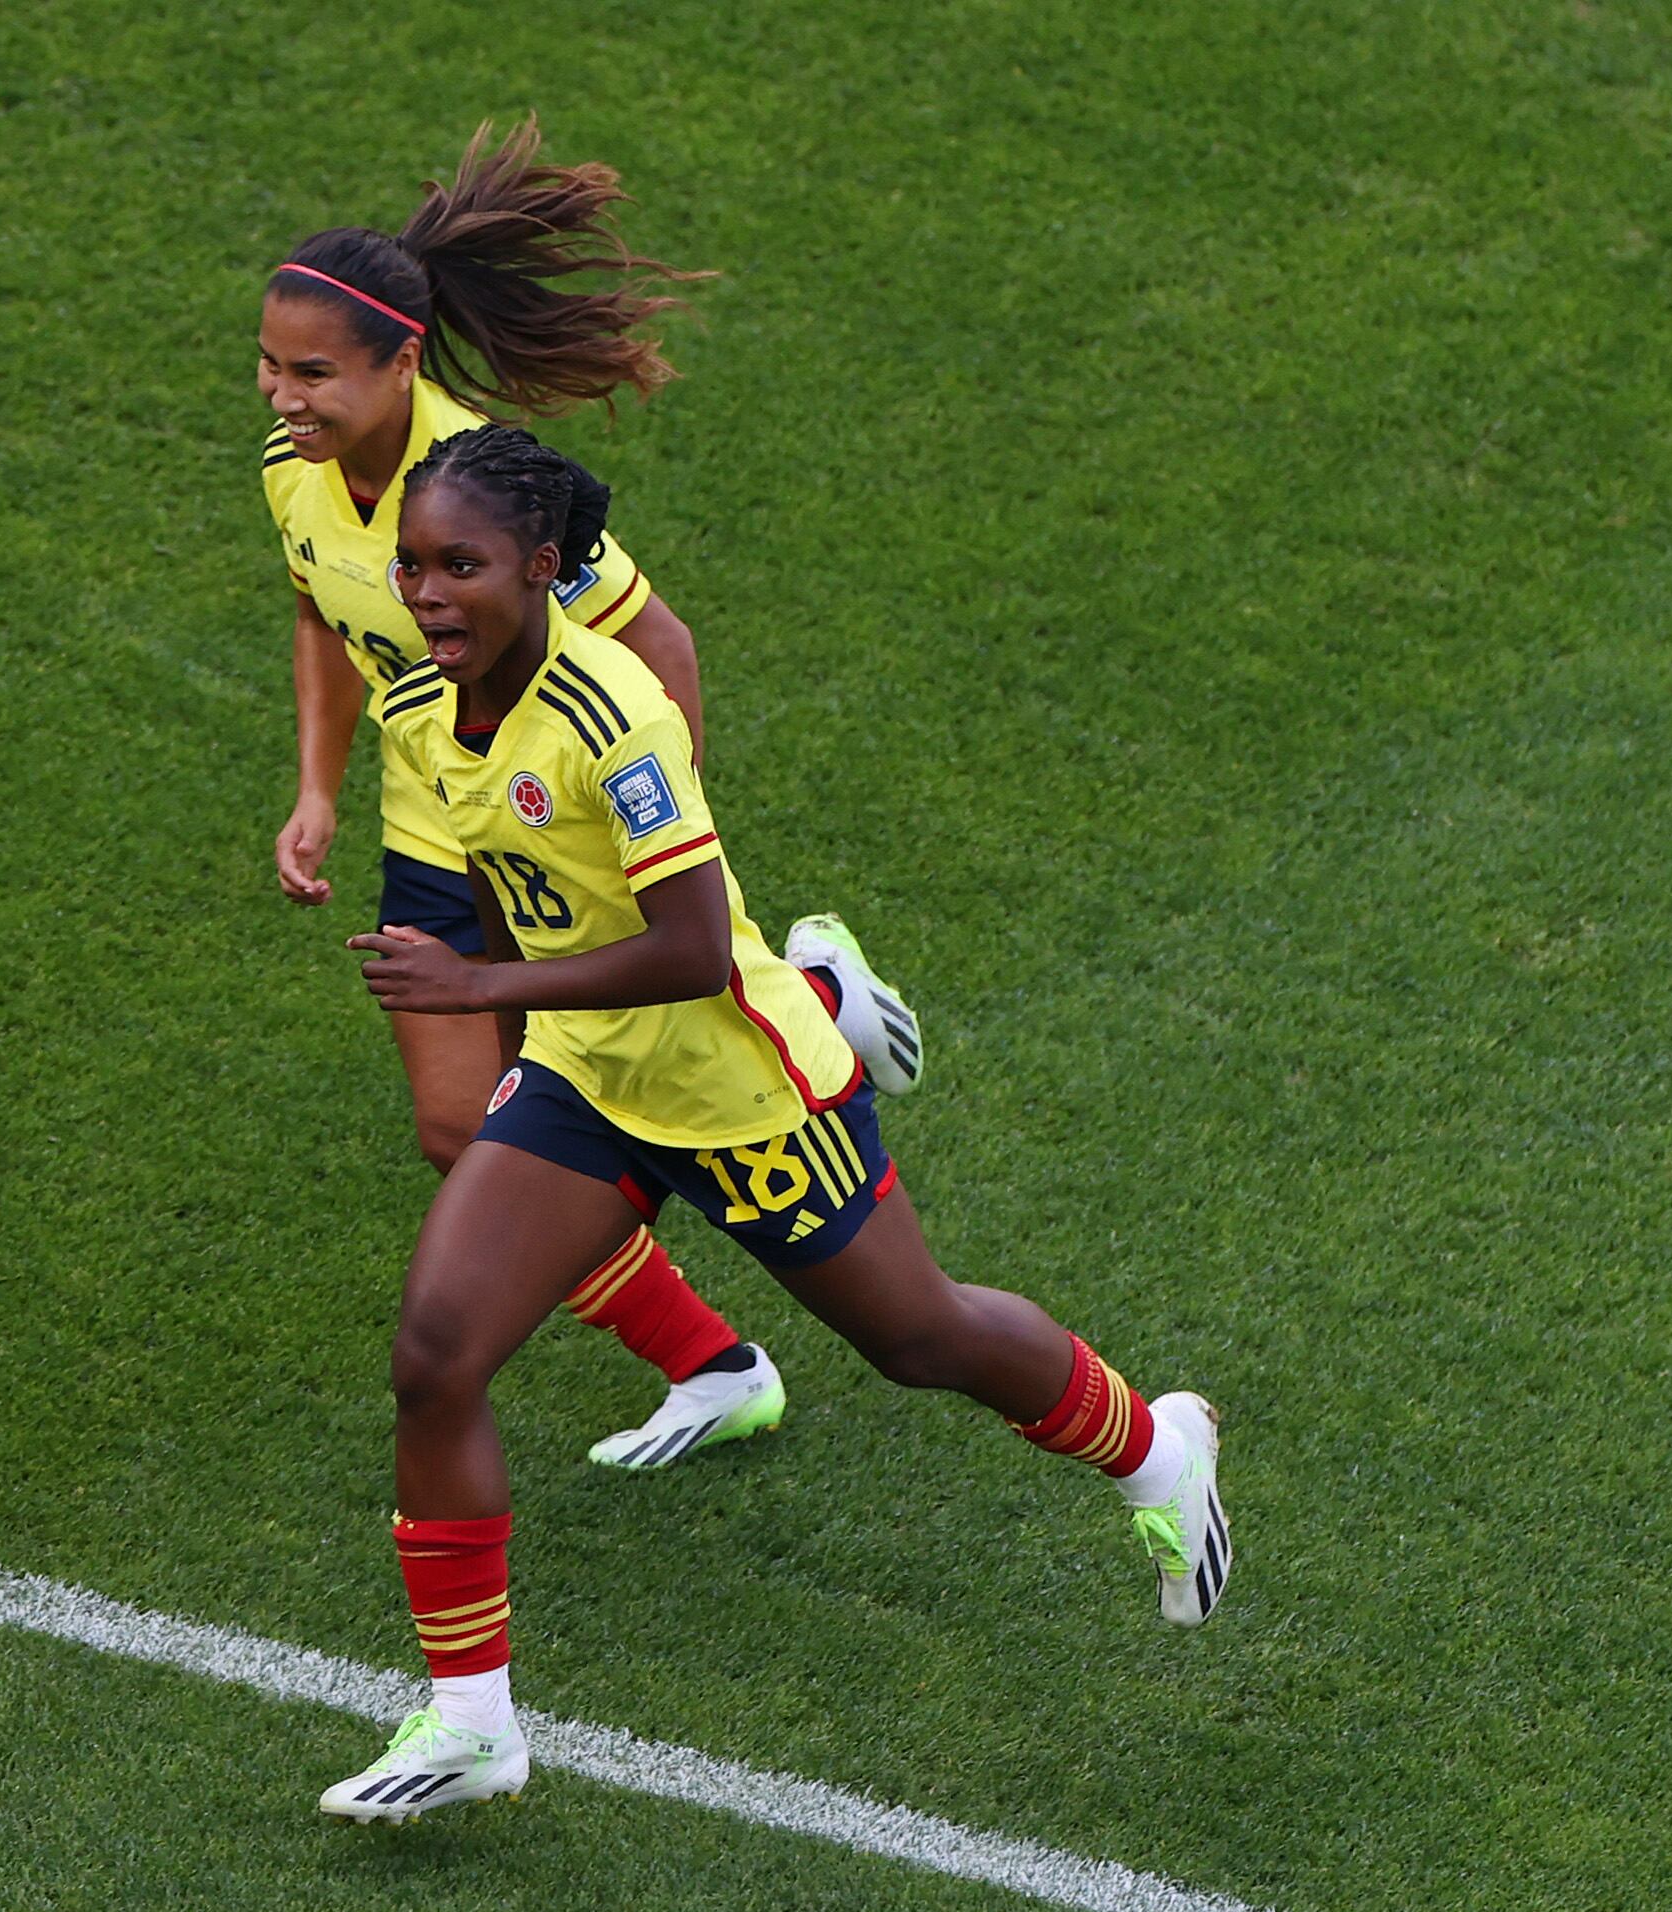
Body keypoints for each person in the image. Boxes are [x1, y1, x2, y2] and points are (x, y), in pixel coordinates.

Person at [315, 426, 1232, 1823]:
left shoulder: (612, 719)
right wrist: (516, 1038)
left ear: (543, 569)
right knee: (435, 1358)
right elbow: (526, 889)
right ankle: (473, 1721)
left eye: (463, 566)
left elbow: (687, 945)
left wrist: (481, 990)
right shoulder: (428, 710)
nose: (428, 593)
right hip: (589, 1079)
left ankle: (1155, 1445)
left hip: (741, 1091)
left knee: (920, 1339)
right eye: (413, 567)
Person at [260, 117, 923, 1470]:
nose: (282, 396)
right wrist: (318, 789)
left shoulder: (479, 497)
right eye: (269, 366)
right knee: (467, 1127)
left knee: (555, 1104)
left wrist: (647, 840)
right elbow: (321, 620)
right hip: (439, 820)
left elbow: (657, 645)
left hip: (551, 827)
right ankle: (717, 1363)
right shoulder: (298, 474)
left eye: (313, 372)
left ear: (401, 363)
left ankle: (792, 1016)